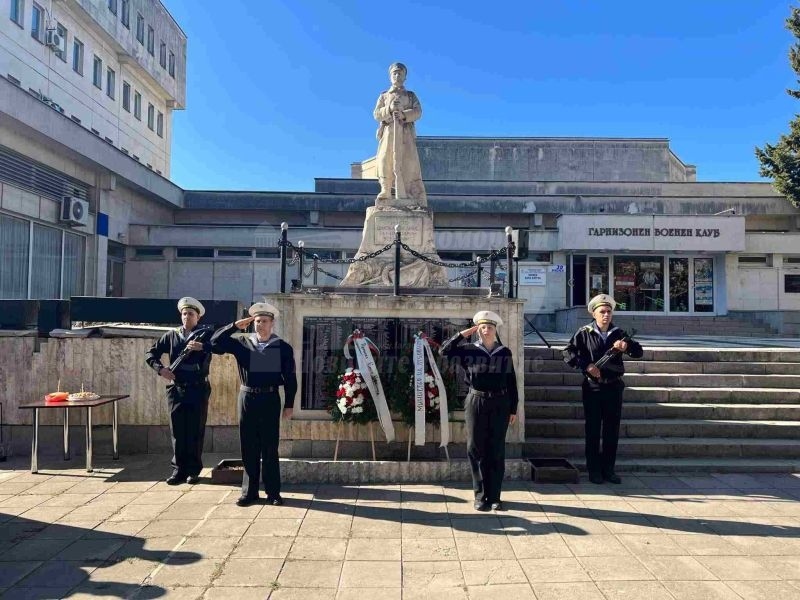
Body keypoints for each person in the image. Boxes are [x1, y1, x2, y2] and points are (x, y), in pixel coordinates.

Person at [210, 302, 296, 507]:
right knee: (248, 446)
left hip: (270, 399)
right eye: (257, 321)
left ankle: (273, 492)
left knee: (269, 447)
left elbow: (290, 378)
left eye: (265, 321)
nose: (260, 325)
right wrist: (233, 326)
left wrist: (289, 404)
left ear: (272, 323)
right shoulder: (242, 344)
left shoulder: (282, 347)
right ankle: (249, 493)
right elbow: (215, 342)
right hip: (247, 398)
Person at [441, 311, 518, 511]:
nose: (486, 330)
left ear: (495, 330)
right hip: (476, 401)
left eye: (490, 327)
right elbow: (444, 351)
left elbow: (511, 381)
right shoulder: (469, 350)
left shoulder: (504, 352)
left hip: (501, 402)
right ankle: (481, 496)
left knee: (496, 449)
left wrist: (513, 408)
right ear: (477, 330)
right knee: (475, 448)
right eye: (482, 327)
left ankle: (495, 497)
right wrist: (463, 334)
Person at [562, 294, 643, 485]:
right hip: (593, 387)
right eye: (602, 312)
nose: (606, 315)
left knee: (611, 430)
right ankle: (594, 471)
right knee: (592, 430)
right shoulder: (584, 332)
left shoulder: (619, 333)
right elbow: (568, 352)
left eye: (609, 312)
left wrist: (626, 347)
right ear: (594, 313)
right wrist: (586, 365)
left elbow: (638, 352)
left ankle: (609, 470)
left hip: (614, 386)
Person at [145, 297, 214, 485]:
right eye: (184, 314)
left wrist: (203, 346)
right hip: (176, 389)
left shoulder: (205, 335)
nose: (186, 317)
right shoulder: (171, 335)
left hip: (198, 388)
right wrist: (161, 370)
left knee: (195, 430)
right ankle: (178, 471)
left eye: (190, 314)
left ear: (197, 317)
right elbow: (151, 354)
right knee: (177, 431)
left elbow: (219, 346)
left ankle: (193, 470)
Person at [373, 62, 427, 204]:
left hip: (405, 134)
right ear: (390, 76)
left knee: (407, 162)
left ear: (404, 77)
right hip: (389, 132)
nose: (397, 76)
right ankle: (385, 190)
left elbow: (418, 111)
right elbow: (377, 114)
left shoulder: (410, 95)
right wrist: (389, 109)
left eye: (400, 74)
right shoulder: (384, 96)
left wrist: (404, 114)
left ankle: (407, 192)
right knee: (385, 159)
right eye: (394, 73)